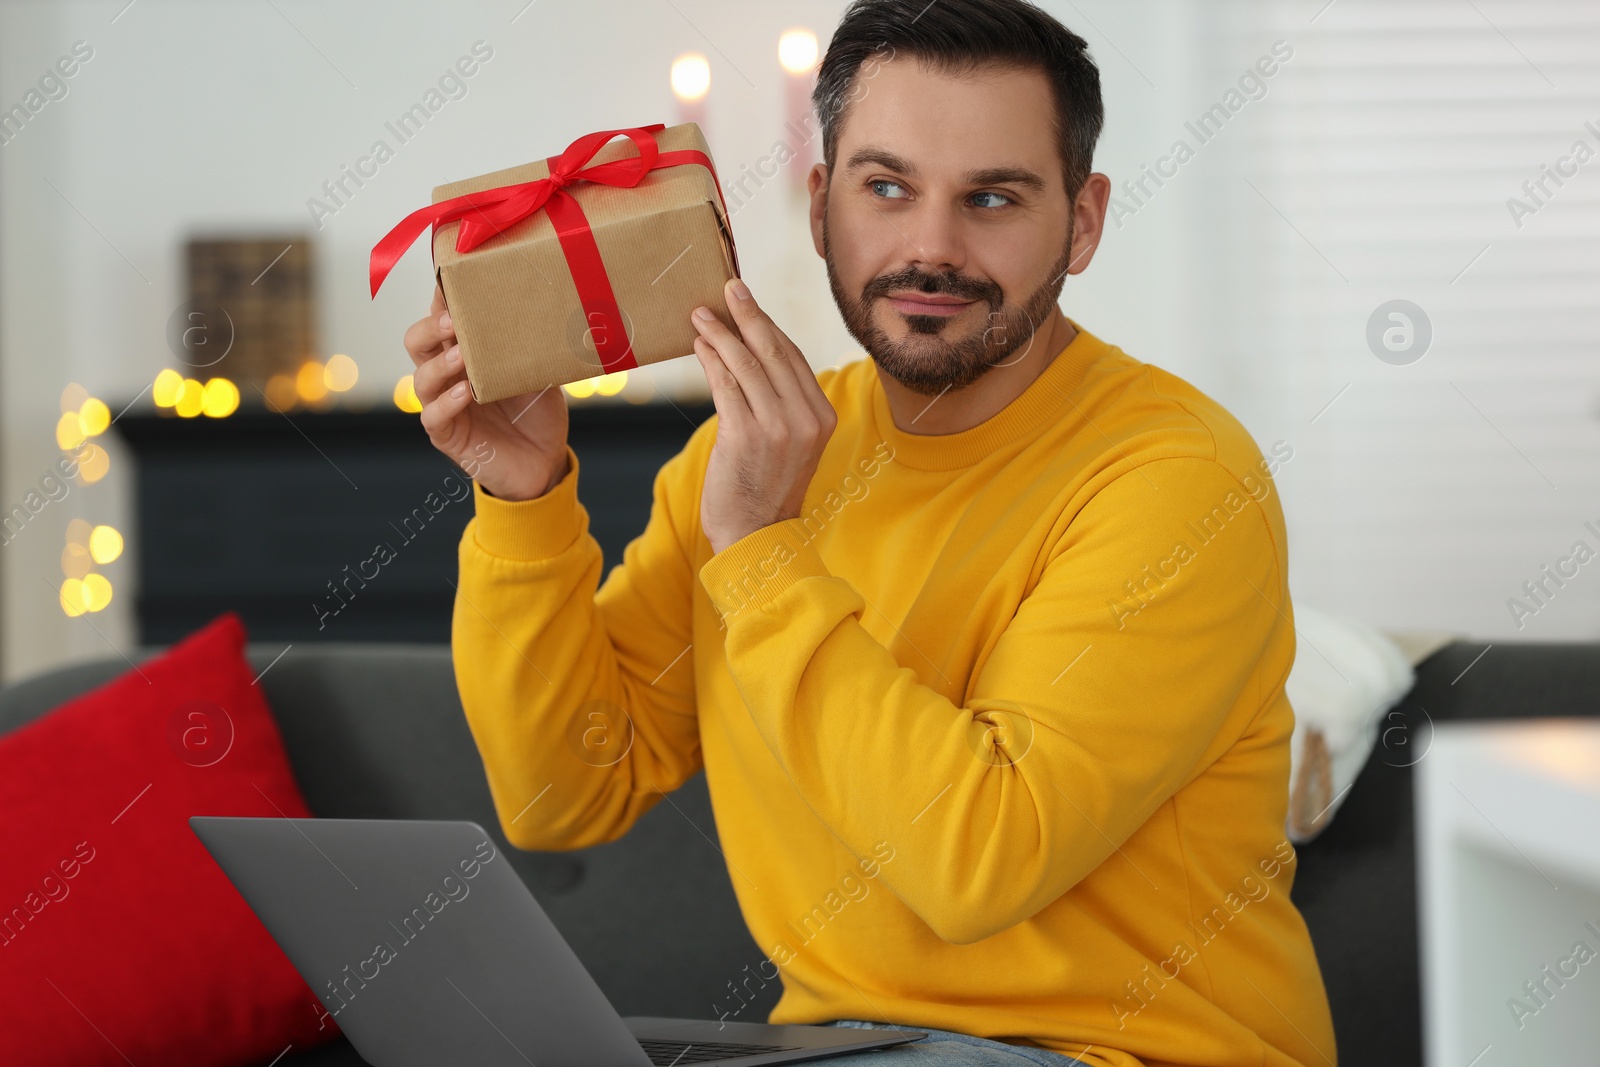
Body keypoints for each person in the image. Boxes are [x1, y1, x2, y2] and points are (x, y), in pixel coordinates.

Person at [401, 1, 1336, 1063]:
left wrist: (763, 553)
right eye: (885, 188)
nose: (930, 248)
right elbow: (560, 797)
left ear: (1082, 220)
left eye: (992, 198)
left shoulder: (1175, 480)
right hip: (843, 1049)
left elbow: (976, 862)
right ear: (818, 206)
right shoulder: (742, 460)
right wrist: (523, 500)